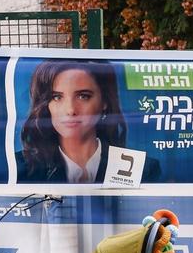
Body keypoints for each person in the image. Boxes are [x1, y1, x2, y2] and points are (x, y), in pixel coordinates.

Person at [18, 59, 160, 184]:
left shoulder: (142, 169)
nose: (71, 110)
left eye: (83, 96)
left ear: (104, 101)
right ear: (46, 105)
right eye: (56, 97)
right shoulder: (21, 168)